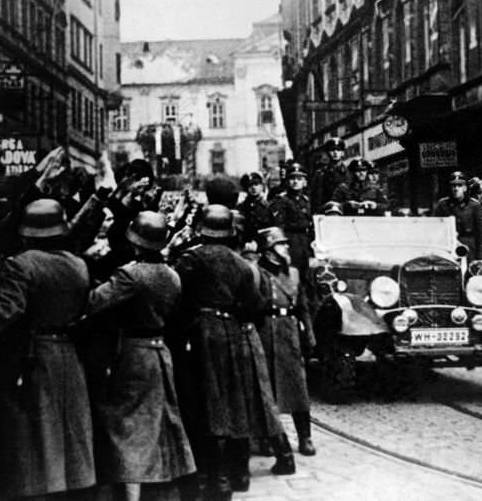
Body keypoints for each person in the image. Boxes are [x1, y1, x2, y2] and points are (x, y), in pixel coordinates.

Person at [0, 199, 96, 499]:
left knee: (39, 434)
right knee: (70, 428)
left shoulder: (22, 264)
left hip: (35, 355)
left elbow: (9, 311)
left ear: (28, 232)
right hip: (68, 352)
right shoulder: (78, 264)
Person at [83, 211, 196, 498]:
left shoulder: (130, 275)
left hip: (132, 354)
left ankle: (131, 493)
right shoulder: (172, 275)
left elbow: (95, 302)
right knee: (160, 422)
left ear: (136, 242)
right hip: (160, 352)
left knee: (127, 425)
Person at [172, 204, 269, 499]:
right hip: (233, 334)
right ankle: (237, 475)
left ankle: (211, 477)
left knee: (202, 406)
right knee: (234, 402)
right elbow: (254, 306)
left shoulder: (190, 259)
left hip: (200, 334)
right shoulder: (242, 265)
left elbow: (176, 298)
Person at [255, 227, 316, 457]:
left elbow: (303, 308)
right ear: (269, 250)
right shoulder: (256, 274)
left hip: (288, 331)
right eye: (281, 244)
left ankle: (305, 436)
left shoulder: (293, 274)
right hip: (264, 331)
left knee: (297, 386)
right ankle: (265, 438)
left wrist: (309, 336)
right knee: (265, 388)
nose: (286, 248)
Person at [269, 161, 314, 276]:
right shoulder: (281, 200)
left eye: (299, 179)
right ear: (287, 181)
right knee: (293, 274)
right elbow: (278, 226)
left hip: (305, 242)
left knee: (308, 275)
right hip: (291, 241)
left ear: (304, 182)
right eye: (292, 179)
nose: (295, 182)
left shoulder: (306, 200)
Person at [432, 171, 482, 261]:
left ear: (465, 188)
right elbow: (434, 228)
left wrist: (481, 258)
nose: (456, 188)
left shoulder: (474, 205)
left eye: (459, 185)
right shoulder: (442, 204)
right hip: (447, 246)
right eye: (453, 186)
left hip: (469, 247)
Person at [310, 138, 348, 209]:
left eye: (338, 150)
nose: (335, 152)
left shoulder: (348, 172)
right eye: (332, 150)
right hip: (326, 210)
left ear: (342, 153)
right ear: (327, 152)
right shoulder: (321, 173)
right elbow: (316, 196)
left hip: (345, 211)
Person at [239, 172, 275, 246]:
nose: (253, 188)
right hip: (245, 244)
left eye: (256, 184)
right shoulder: (242, 207)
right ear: (246, 188)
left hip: (264, 244)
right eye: (250, 185)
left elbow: (273, 230)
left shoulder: (268, 207)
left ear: (261, 187)